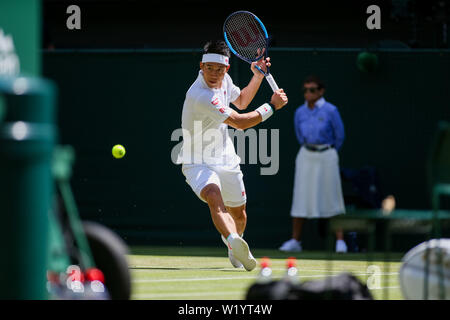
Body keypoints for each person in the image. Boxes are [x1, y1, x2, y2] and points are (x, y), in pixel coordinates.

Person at [177, 40, 288, 271]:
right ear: (201, 66)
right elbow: (239, 122)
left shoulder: (225, 80)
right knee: (213, 195)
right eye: (209, 68)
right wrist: (271, 106)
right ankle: (232, 240)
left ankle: (235, 241)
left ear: (226, 69)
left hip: (226, 158)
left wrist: (257, 76)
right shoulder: (200, 94)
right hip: (196, 160)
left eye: (219, 69)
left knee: (240, 215)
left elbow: (242, 101)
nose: (214, 74)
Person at [279, 75, 347, 253]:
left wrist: (327, 151)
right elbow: (299, 135)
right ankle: (295, 241)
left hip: (327, 155)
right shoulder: (300, 112)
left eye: (312, 90)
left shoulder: (331, 111)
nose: (308, 93)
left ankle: (340, 242)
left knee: (333, 196)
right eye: (305, 90)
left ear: (321, 91)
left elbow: (339, 136)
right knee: (300, 197)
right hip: (306, 155)